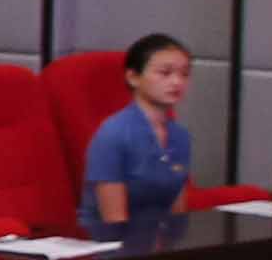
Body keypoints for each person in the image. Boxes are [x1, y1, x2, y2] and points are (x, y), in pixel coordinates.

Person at [85, 33, 200, 228]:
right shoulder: (113, 134)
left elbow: (177, 212)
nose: (177, 82)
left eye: (184, 74)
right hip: (112, 239)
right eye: (165, 73)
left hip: (160, 237)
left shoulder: (180, 136)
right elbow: (113, 220)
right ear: (133, 77)